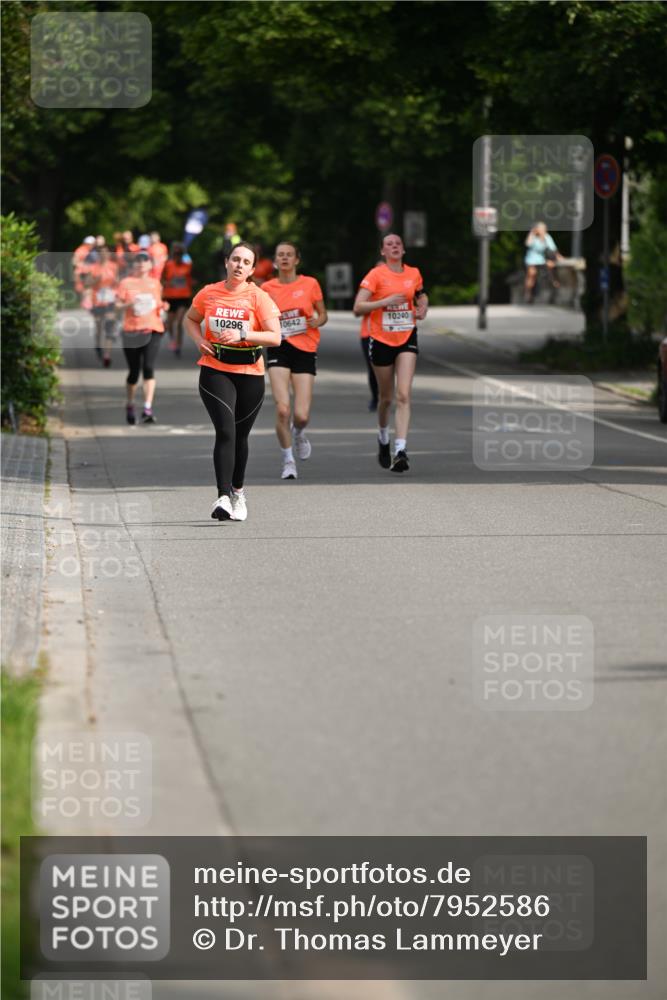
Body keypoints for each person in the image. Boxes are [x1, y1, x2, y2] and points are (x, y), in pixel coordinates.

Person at [184, 242, 281, 521]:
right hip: (215, 369)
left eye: (246, 262)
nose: (239, 265)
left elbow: (275, 337)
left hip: (250, 372)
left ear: (252, 269)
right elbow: (191, 320)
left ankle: (238, 492)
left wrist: (243, 334)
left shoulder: (258, 297)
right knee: (225, 431)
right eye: (235, 259)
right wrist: (199, 339)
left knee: (240, 436)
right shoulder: (208, 292)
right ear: (227, 262)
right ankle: (223, 496)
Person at [353, 233, 428, 473]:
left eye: (398, 243)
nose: (394, 247)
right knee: (386, 398)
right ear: (383, 252)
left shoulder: (413, 273)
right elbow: (358, 307)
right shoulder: (376, 275)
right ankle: (383, 437)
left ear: (403, 250)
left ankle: (401, 450)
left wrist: (423, 305)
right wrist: (382, 302)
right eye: (389, 244)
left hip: (407, 336)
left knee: (404, 394)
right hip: (381, 339)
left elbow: (420, 294)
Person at [262, 242, 328, 479]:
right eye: (281, 255)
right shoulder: (267, 288)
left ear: (297, 260)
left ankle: (299, 432)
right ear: (276, 261)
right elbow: (259, 318)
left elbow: (323, 314)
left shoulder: (310, 284)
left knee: (301, 415)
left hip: (305, 348)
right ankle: (288, 460)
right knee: (282, 409)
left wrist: (316, 321)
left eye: (289, 255)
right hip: (279, 348)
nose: (285, 258)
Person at [115, 252, 168, 425]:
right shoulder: (126, 283)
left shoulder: (155, 284)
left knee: (148, 367)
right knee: (134, 372)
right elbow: (116, 306)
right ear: (133, 266)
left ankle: (147, 407)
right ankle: (130, 404)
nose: (141, 266)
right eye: (138, 263)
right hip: (131, 330)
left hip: (153, 329)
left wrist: (164, 305)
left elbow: (158, 304)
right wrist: (129, 304)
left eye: (144, 263)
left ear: (150, 266)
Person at [87, 244, 119, 367]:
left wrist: (116, 287)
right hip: (97, 301)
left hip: (110, 300)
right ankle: (98, 346)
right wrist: (97, 280)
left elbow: (117, 282)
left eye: (106, 252)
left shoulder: (113, 266)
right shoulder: (93, 267)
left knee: (109, 327)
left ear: (109, 254)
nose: (104, 254)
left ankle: (107, 355)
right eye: (101, 252)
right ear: (99, 254)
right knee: (99, 327)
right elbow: (87, 283)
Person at [161, 242, 193, 356]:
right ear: (173, 255)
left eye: (179, 254)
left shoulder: (188, 266)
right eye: (175, 254)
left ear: (182, 255)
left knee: (179, 322)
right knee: (169, 324)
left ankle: (179, 345)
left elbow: (192, 279)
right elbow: (162, 279)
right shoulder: (168, 265)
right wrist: (166, 284)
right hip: (170, 297)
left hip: (183, 297)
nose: (177, 257)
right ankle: (173, 340)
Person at [524, 222, 563, 303]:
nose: (543, 230)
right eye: (541, 229)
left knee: (551, 268)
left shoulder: (547, 237)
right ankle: (528, 294)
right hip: (531, 259)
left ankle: (554, 288)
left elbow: (553, 249)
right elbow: (528, 244)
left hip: (542, 259)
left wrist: (559, 257)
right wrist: (532, 232)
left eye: (543, 229)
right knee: (532, 274)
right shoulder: (533, 236)